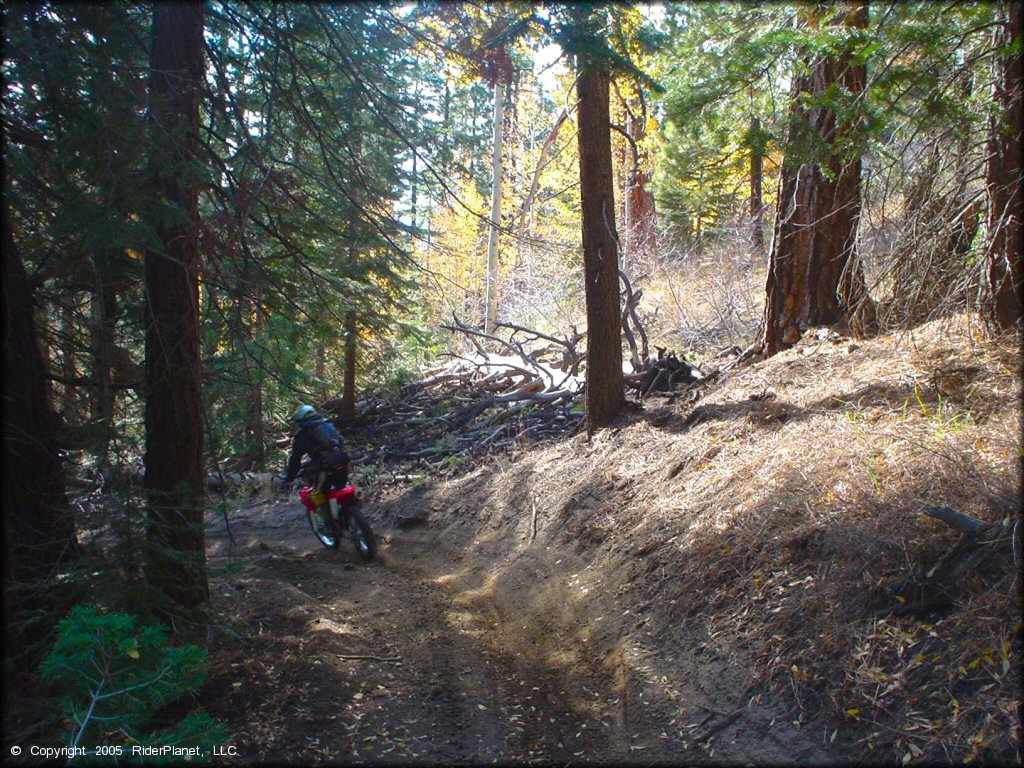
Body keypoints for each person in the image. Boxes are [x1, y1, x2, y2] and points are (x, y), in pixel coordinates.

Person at [279, 405, 350, 511]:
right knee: (342, 487)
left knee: (319, 496)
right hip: (342, 458)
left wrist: (289, 478)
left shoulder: (302, 435)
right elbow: (340, 440)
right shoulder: (328, 424)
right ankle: (349, 513)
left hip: (325, 465)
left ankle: (328, 522)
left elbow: (295, 459)